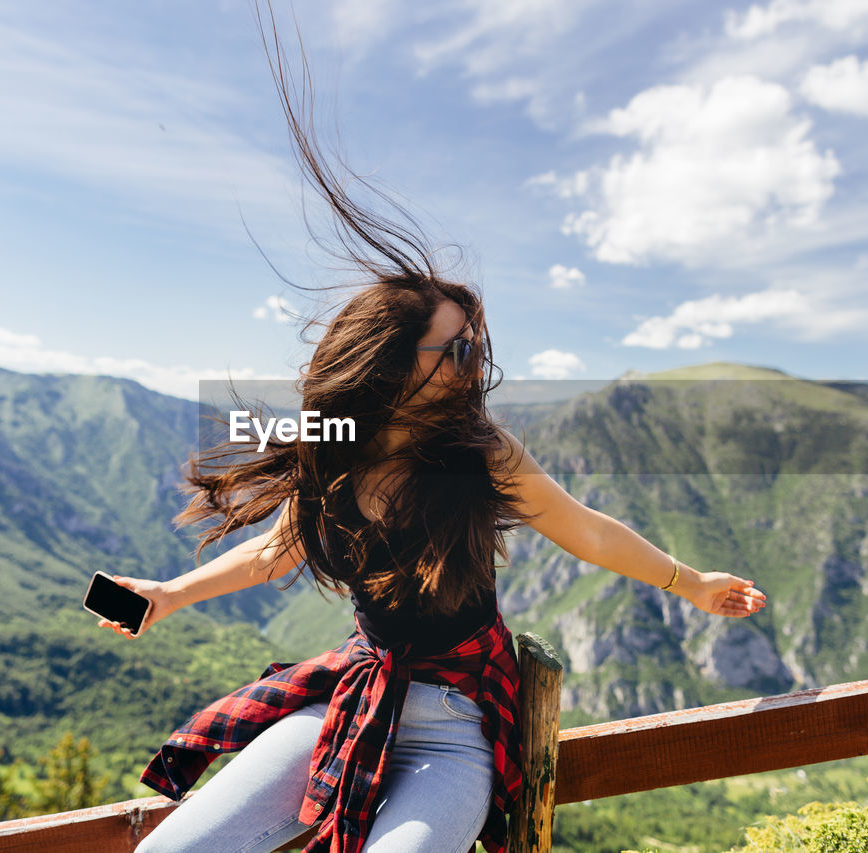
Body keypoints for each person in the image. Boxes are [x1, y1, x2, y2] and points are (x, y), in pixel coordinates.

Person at [99, 6, 767, 852]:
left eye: (472, 347)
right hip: (350, 702)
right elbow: (280, 549)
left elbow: (584, 529)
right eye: (452, 349)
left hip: (453, 725)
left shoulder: (481, 454)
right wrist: (167, 594)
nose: (470, 364)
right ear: (387, 362)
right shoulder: (333, 454)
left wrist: (691, 580)